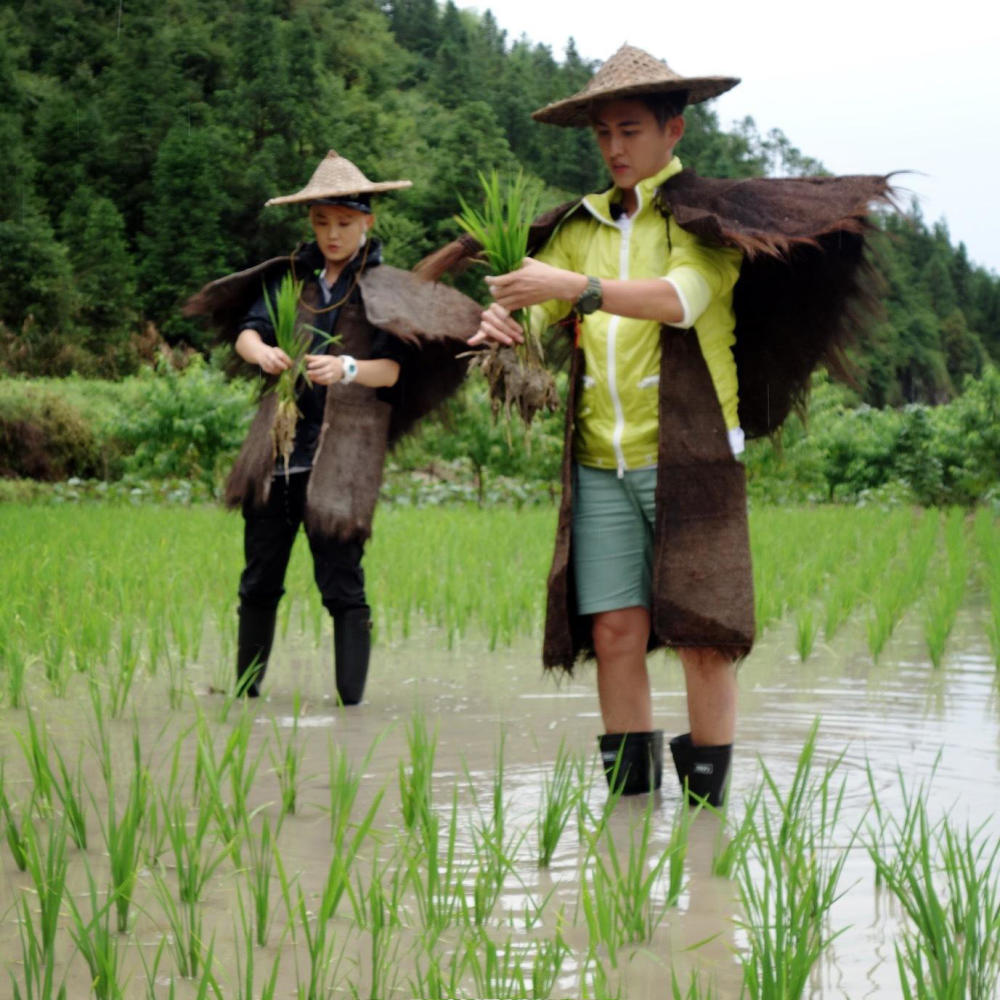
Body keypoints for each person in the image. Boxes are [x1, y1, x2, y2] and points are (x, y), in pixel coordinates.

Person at [442, 45, 892, 804]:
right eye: (603, 135)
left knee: (704, 638)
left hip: (691, 458)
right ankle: (628, 818)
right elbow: (542, 307)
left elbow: (681, 300)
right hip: (599, 462)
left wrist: (577, 286)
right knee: (616, 635)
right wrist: (504, 323)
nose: (616, 147)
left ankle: (707, 815)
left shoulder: (702, 224)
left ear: (672, 131)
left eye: (631, 130)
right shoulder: (579, 228)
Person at [185, 151, 482, 704]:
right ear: (311, 223)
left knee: (342, 584)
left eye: (344, 223)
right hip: (276, 455)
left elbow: (390, 370)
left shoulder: (385, 290)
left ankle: (351, 707)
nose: (332, 234)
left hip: (343, 455)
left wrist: (346, 368)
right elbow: (246, 334)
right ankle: (246, 693)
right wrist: (264, 352)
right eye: (322, 223)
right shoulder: (291, 280)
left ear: (367, 221)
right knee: (259, 579)